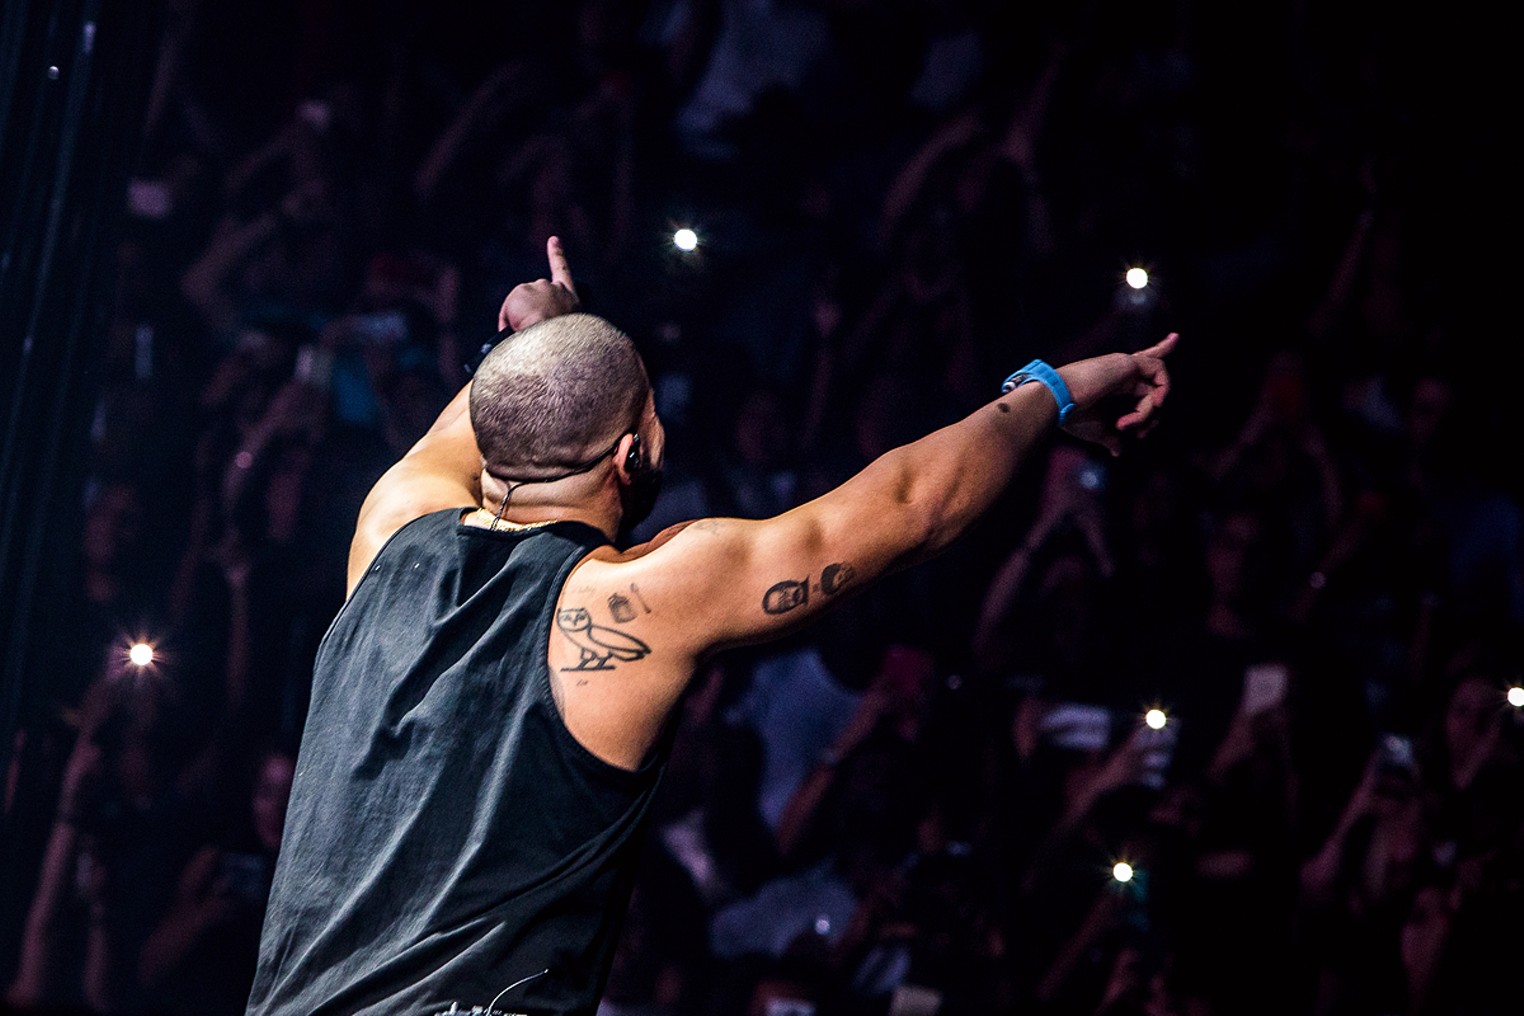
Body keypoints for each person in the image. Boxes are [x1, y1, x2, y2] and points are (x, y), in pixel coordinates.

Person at [245, 237, 1177, 1016]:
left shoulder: (390, 519)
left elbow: (508, 402)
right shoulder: (635, 601)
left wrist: (553, 327)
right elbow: (909, 504)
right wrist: (1054, 388)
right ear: (632, 455)